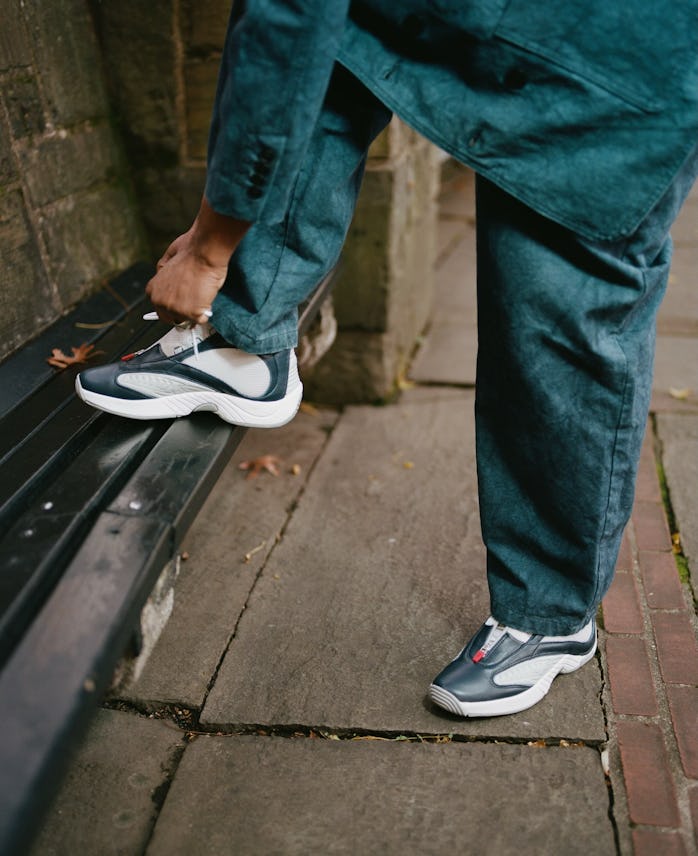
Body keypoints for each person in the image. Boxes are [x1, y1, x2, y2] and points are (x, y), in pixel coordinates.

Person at [76, 1, 698, 718]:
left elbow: (284, 25)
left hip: (632, 68)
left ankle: (552, 617)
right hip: (517, 22)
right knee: (340, 38)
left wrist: (212, 245)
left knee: (555, 320)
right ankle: (247, 342)